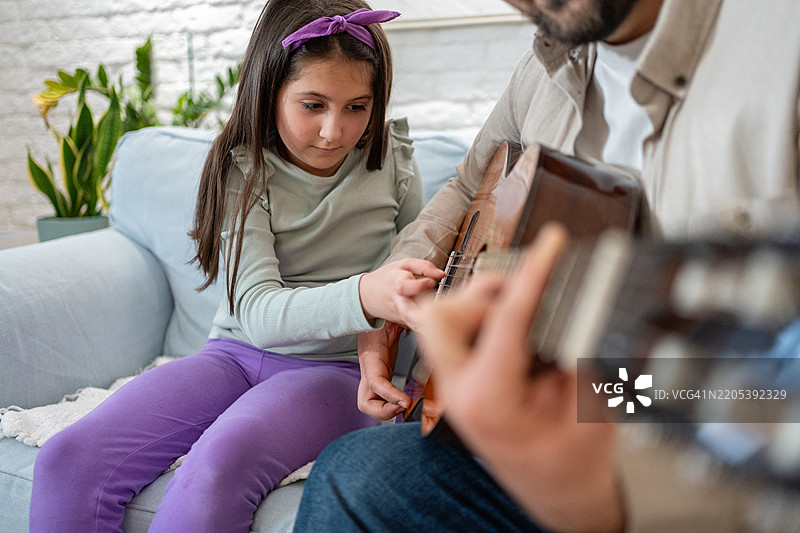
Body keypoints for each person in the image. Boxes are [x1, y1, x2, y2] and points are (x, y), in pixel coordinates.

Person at [293, 0, 800, 531]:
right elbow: (469, 183)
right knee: (359, 472)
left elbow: (760, 397)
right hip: (541, 420)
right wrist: (394, 291)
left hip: (684, 456)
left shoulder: (779, 43)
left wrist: (586, 485)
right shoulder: (544, 65)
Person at [28, 1, 444, 532]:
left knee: (215, 467)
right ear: (269, 91)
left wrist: (387, 335)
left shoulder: (393, 162)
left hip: (338, 373)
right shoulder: (241, 169)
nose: (333, 131)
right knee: (67, 459)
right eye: (313, 105)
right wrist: (366, 293)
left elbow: (410, 288)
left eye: (357, 107)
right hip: (235, 355)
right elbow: (259, 314)